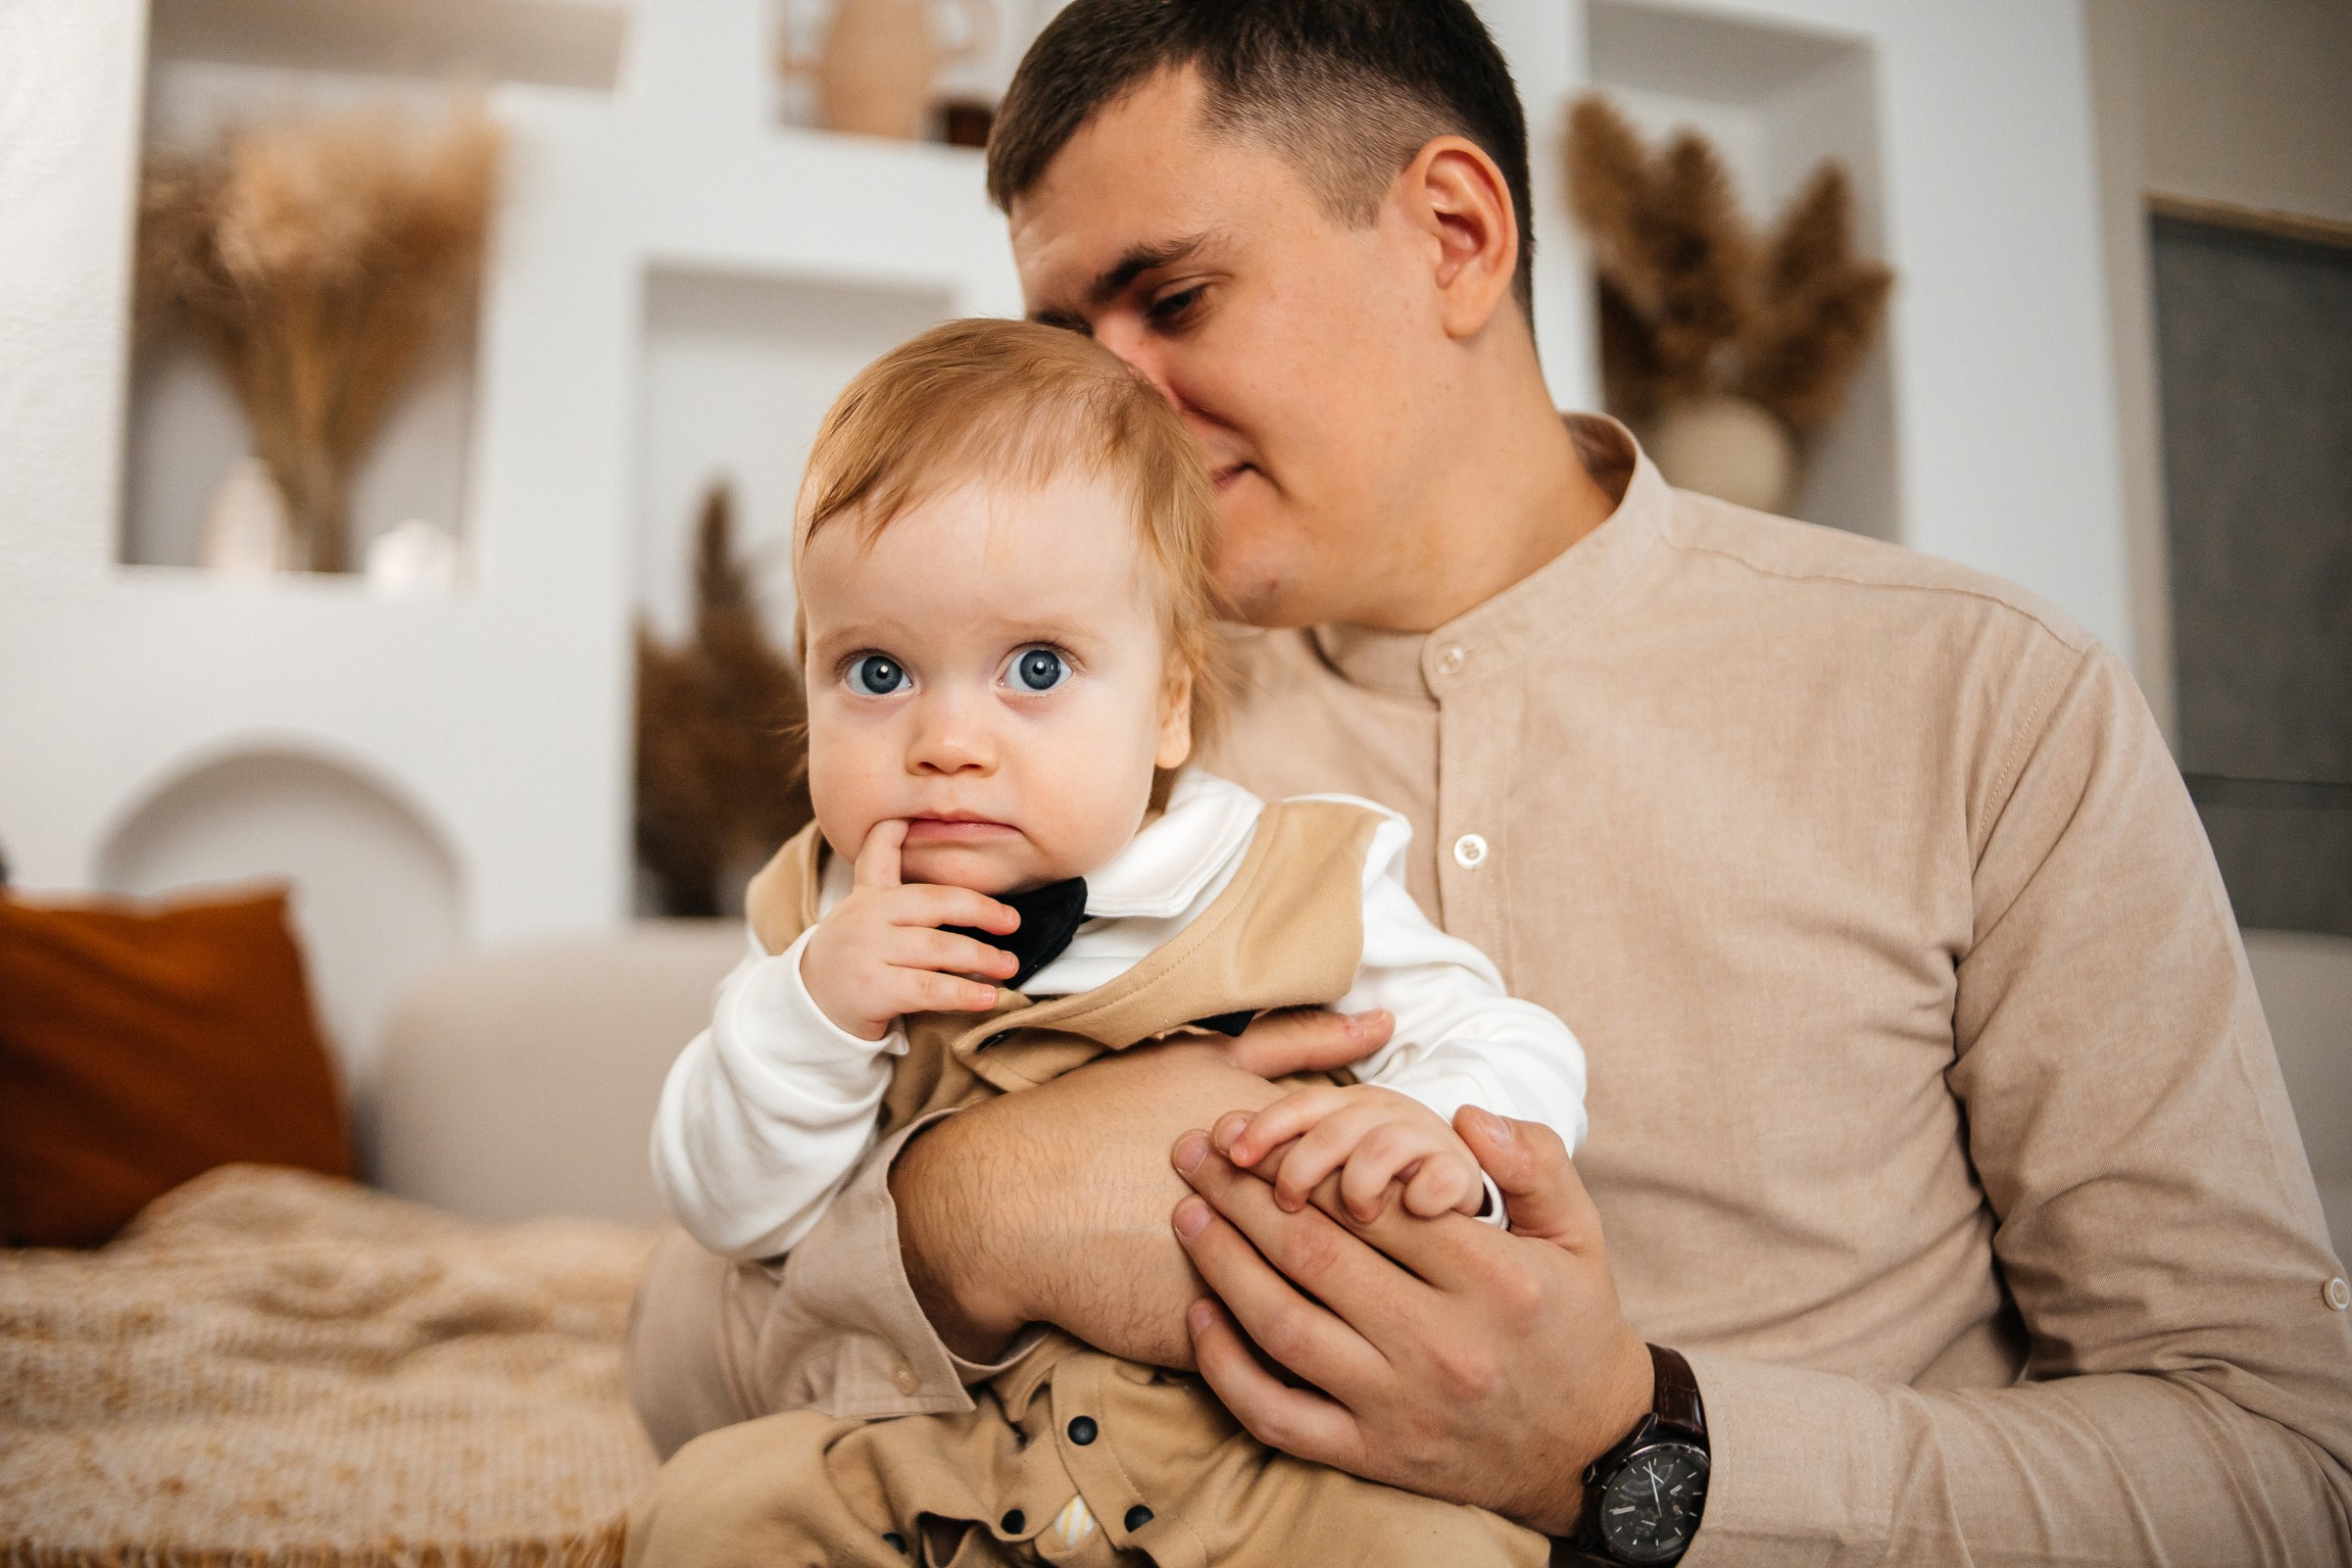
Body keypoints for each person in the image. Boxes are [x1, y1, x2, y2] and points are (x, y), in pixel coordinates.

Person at [627, 1, 2352, 1562]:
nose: (1107, 403)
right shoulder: (1054, 731)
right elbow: (682, 1361)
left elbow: (2279, 1464)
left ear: (1455, 236)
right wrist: (978, 1211)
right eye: (1063, 331)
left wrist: (1634, 1449)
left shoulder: (1986, 703)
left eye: (1173, 298)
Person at [631, 318, 1588, 1564]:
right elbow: (729, 1208)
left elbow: (1505, 1035)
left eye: (1035, 665)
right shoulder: (820, 923)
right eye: (876, 673)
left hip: (1258, 1464)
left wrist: (1433, 1129)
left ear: (1169, 703)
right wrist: (810, 1011)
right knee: (706, 1514)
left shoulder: (1291, 874)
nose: (945, 740)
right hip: (955, 1454)